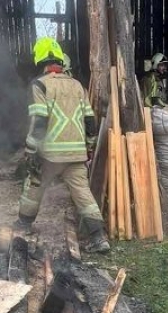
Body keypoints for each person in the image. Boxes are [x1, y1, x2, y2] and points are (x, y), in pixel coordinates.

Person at [17, 37, 110, 253]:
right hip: (76, 153)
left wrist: (30, 149)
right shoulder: (77, 85)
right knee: (82, 194)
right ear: (60, 60)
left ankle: (23, 225)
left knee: (34, 187)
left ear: (40, 60)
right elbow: (90, 120)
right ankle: (99, 238)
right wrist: (88, 147)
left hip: (49, 155)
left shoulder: (39, 84)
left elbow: (39, 120)